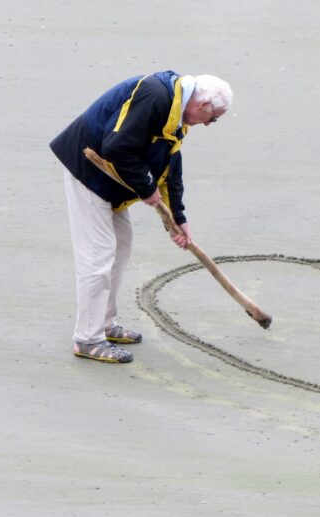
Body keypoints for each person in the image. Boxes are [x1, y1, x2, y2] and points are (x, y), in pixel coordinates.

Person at [50, 71, 232, 363]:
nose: (209, 125)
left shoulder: (177, 114)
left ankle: (104, 325)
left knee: (121, 248)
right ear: (203, 105)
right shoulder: (156, 96)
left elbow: (170, 164)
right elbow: (115, 147)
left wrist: (177, 219)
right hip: (88, 173)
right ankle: (87, 339)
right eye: (213, 118)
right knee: (98, 257)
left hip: (112, 183)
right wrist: (146, 189)